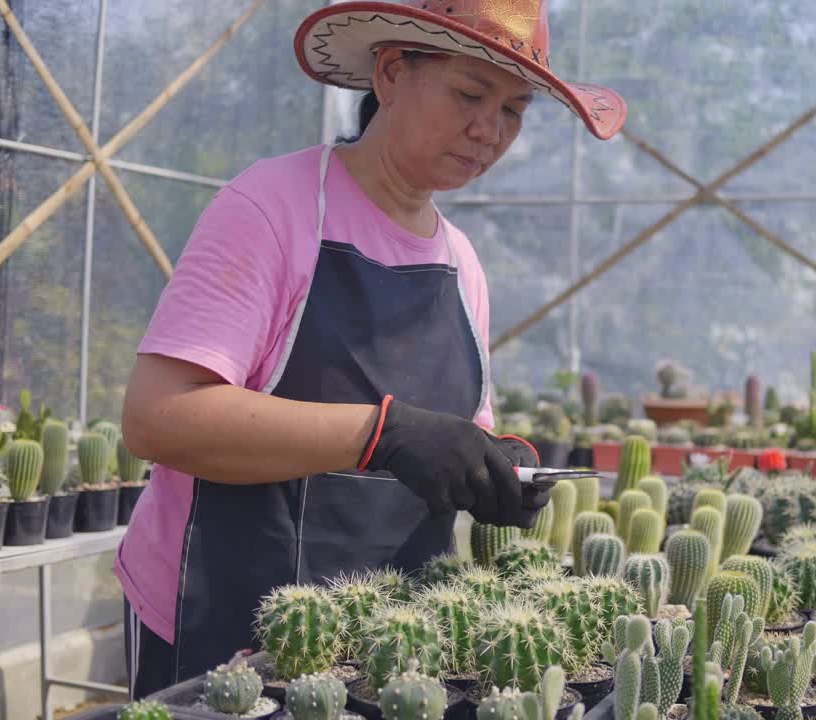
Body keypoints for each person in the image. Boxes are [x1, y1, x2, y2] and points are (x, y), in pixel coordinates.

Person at [112, 0, 626, 700]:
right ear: (389, 72)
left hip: (384, 646)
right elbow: (158, 418)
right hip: (226, 619)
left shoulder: (461, 261)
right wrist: (381, 434)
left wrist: (495, 466)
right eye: (470, 94)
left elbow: (453, 436)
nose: (489, 130)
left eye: (514, 110)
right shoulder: (273, 208)